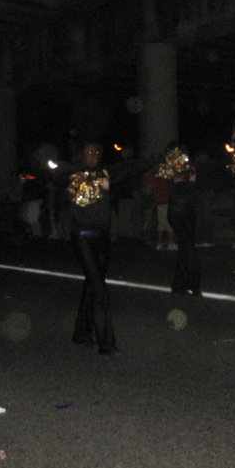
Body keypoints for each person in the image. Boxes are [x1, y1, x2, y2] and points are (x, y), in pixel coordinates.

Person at [58, 141, 158, 356]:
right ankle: (106, 343)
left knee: (93, 284)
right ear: (82, 156)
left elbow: (131, 168)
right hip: (82, 237)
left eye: (96, 151)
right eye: (89, 151)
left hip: (101, 237)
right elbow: (70, 191)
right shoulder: (75, 174)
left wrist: (156, 159)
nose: (94, 153)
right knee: (100, 289)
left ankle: (81, 332)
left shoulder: (106, 172)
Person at [165, 147, 202, 296]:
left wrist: (189, 176)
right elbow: (174, 188)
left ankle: (178, 284)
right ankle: (194, 286)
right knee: (189, 249)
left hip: (189, 213)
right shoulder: (171, 169)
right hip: (177, 213)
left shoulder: (190, 169)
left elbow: (193, 185)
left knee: (185, 248)